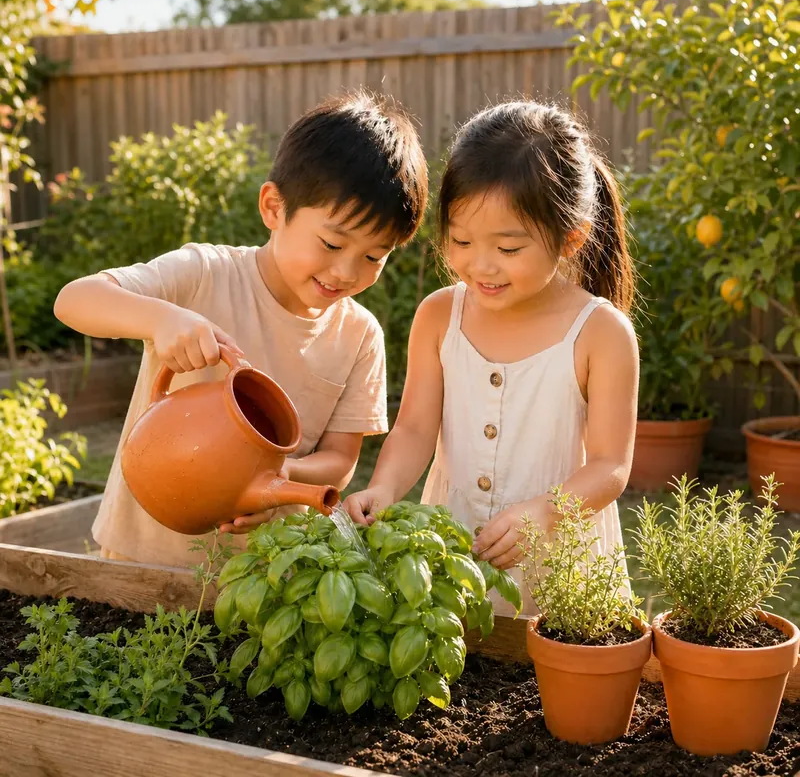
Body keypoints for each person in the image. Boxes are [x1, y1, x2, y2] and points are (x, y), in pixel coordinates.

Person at [54, 91, 428, 567]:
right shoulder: (204, 274)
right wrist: (161, 317)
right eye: (332, 243)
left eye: (375, 256)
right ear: (274, 208)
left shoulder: (359, 336)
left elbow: (340, 459)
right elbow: (74, 300)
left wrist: (274, 483)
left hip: (261, 579)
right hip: (140, 555)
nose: (347, 272)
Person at [343, 101, 638, 616]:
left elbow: (612, 466)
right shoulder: (439, 317)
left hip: (563, 571)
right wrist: (386, 486)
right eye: (460, 240)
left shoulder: (600, 332)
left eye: (508, 248)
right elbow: (414, 428)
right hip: (454, 560)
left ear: (571, 238)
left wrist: (546, 512)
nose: (480, 265)